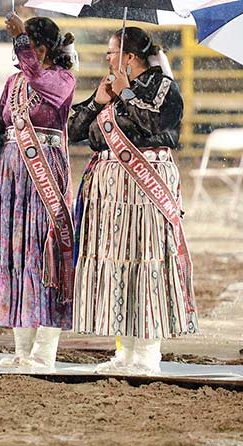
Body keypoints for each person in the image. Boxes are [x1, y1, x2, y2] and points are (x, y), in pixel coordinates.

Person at [67, 26, 198, 374]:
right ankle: (124, 351)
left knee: (146, 259)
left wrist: (125, 96)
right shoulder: (109, 90)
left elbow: (156, 122)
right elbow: (75, 131)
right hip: (110, 190)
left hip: (146, 183)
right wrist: (98, 100)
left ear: (129, 57)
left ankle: (147, 354)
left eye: (112, 53)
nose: (107, 59)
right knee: (118, 262)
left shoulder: (164, 86)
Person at [0, 14, 77, 368]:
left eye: (30, 46)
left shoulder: (61, 79)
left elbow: (37, 76)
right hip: (9, 178)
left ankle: (44, 352)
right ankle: (22, 352)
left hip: (42, 176)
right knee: (13, 255)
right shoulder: (12, 82)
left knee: (41, 256)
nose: (22, 54)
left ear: (45, 49)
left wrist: (19, 37)